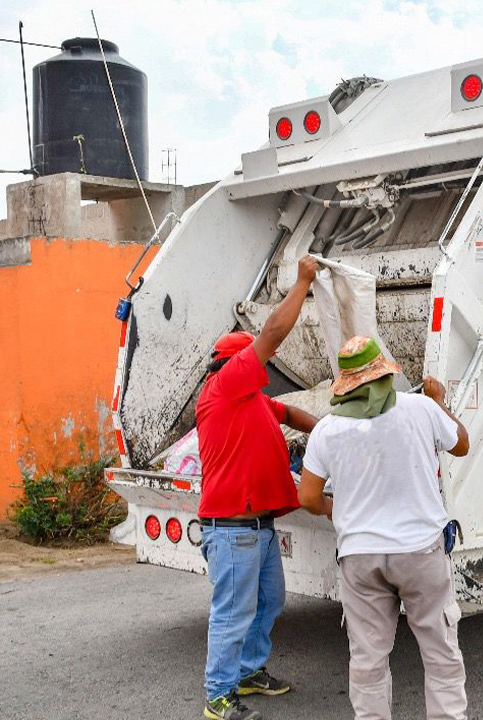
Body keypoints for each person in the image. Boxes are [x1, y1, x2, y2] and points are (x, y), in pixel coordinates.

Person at [298, 336, 471, 720]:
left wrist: (335, 510)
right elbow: (461, 445)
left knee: (368, 660)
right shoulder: (421, 408)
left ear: (345, 385)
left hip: (360, 557)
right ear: (384, 374)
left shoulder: (328, 429)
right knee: (440, 653)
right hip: (421, 552)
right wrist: (439, 399)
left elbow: (308, 497)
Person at [198, 255, 321, 720]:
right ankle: (218, 697)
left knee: (270, 600)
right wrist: (302, 282)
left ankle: (248, 673)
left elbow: (289, 414)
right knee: (231, 613)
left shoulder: (250, 402)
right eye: (252, 362)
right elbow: (271, 335)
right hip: (232, 531)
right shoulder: (226, 385)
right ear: (234, 363)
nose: (261, 372)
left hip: (257, 529)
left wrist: (329, 431)